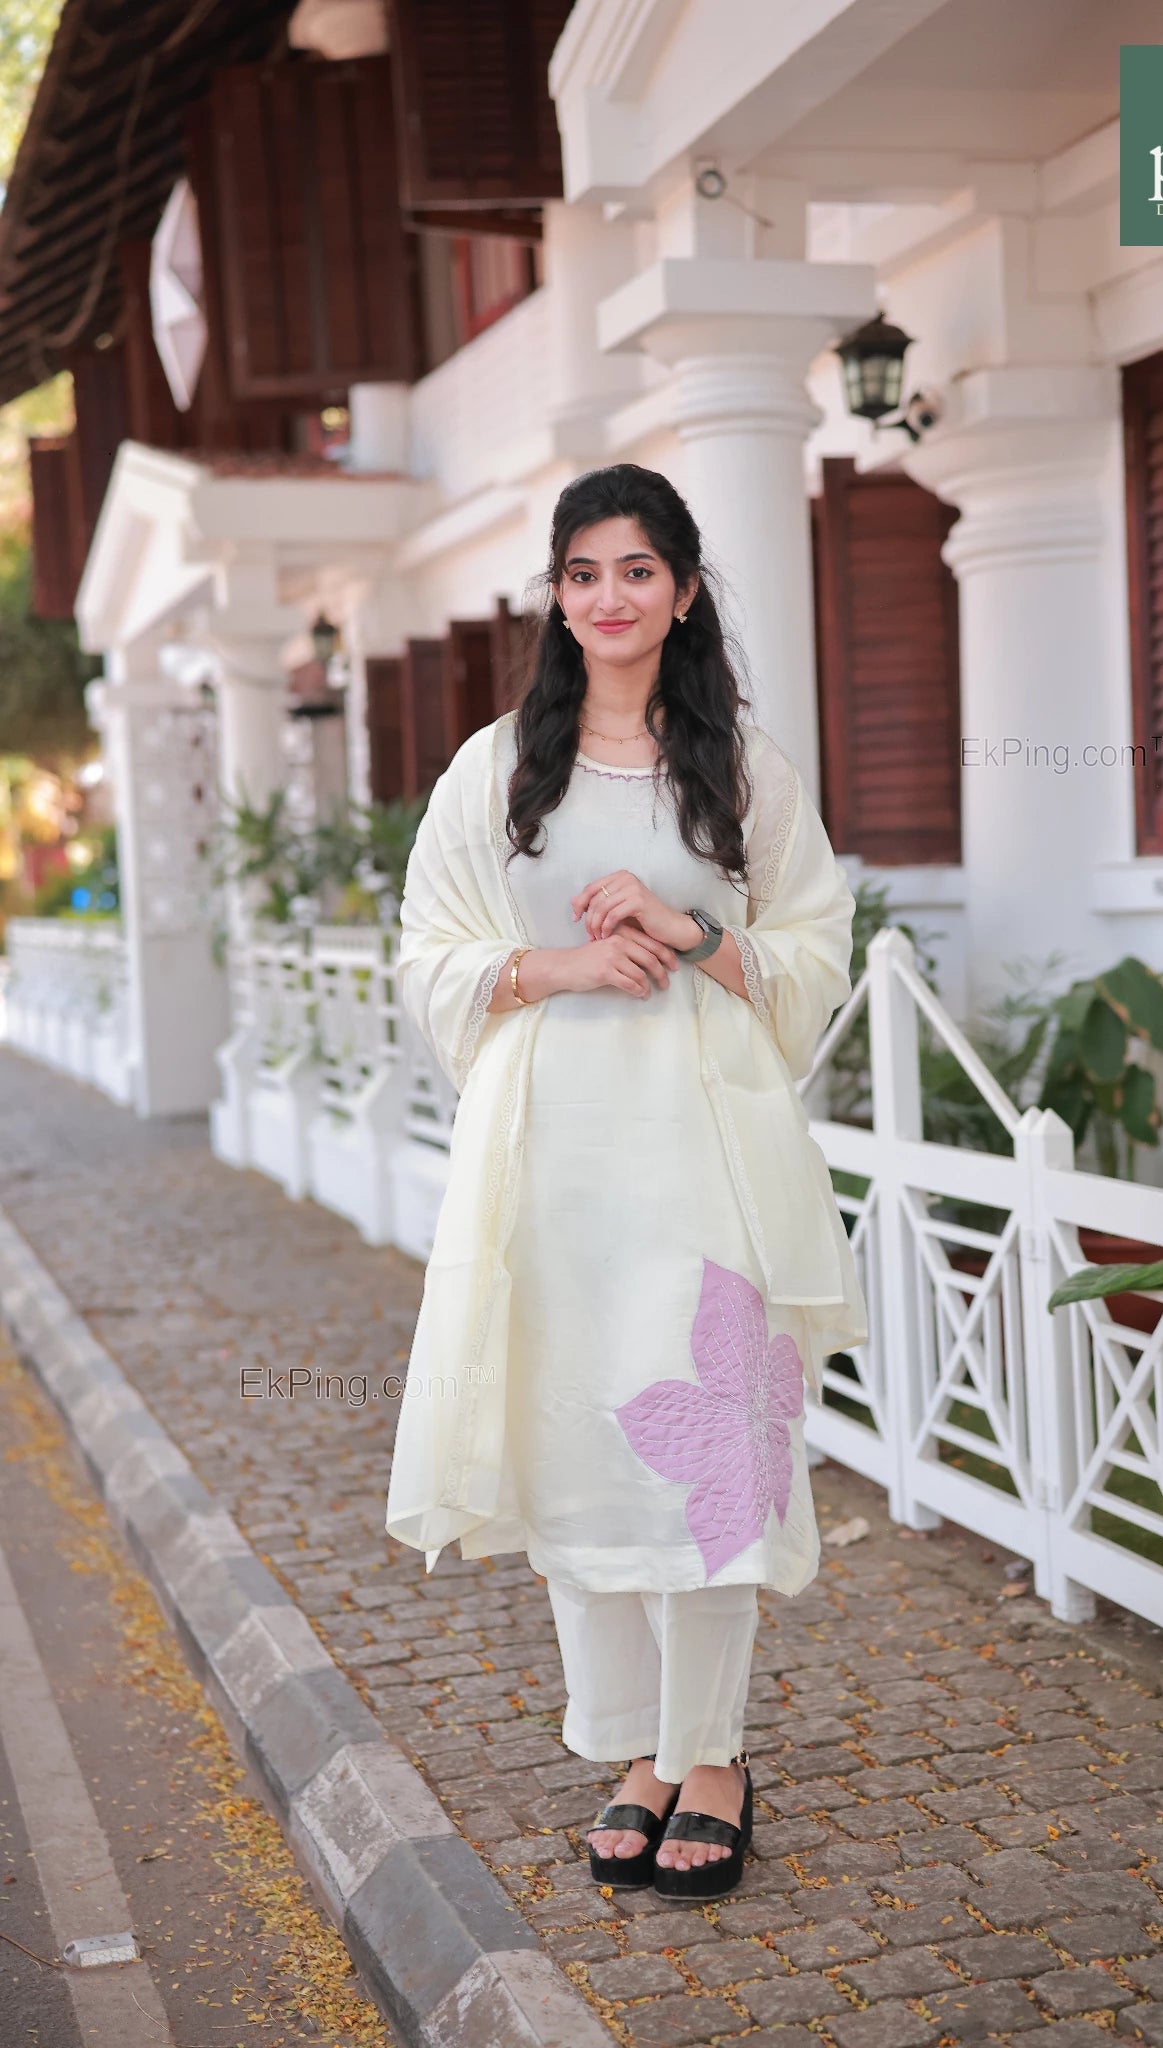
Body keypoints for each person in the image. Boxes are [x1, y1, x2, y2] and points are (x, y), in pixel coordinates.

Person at [386, 462, 867, 1900]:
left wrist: (683, 924)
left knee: (708, 1452)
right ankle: (634, 1750)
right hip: (547, 1166)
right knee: (577, 1445)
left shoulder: (739, 769)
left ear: (685, 591)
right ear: (556, 593)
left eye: (638, 570)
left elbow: (813, 958)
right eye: (584, 572)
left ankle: (711, 1754)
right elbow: (426, 952)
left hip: (704, 1156)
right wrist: (561, 965)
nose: (609, 597)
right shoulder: (497, 769)